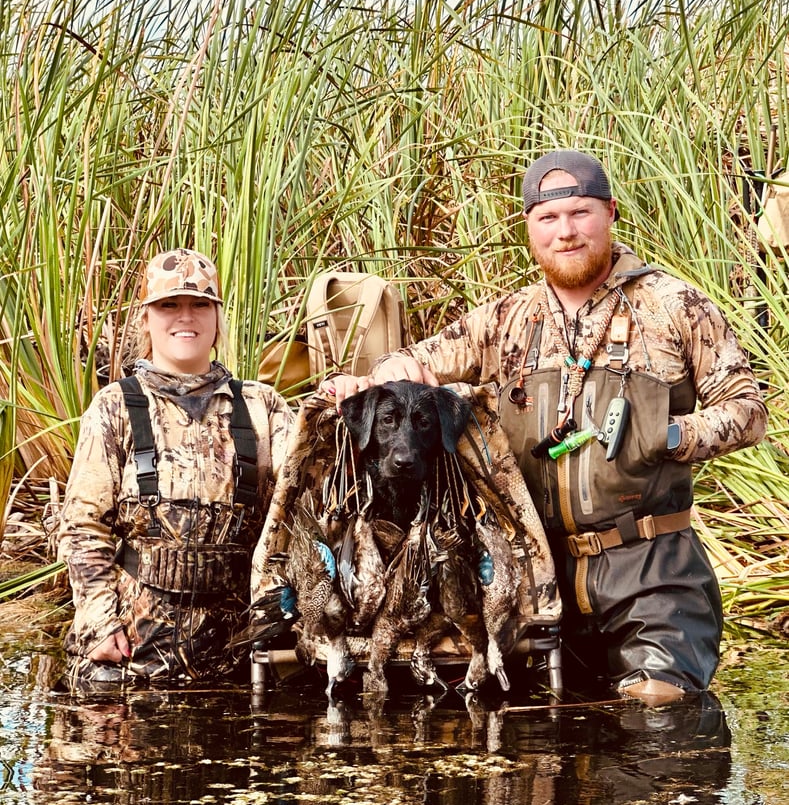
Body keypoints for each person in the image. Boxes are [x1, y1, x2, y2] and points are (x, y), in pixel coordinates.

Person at [326, 149, 768, 705]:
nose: (567, 233)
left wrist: (670, 436)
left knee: (658, 714)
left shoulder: (673, 305)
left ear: (610, 213)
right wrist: (377, 374)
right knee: (547, 738)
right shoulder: (508, 317)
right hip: (540, 573)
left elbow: (748, 413)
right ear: (531, 230)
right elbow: (409, 365)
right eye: (549, 220)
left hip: (651, 569)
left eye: (581, 214)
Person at [56, 248, 294, 687]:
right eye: (170, 305)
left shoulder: (263, 407)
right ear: (147, 319)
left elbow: (302, 508)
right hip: (132, 656)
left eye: (200, 304)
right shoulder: (116, 407)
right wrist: (100, 624)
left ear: (218, 318)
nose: (186, 316)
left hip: (238, 658)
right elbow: (82, 526)